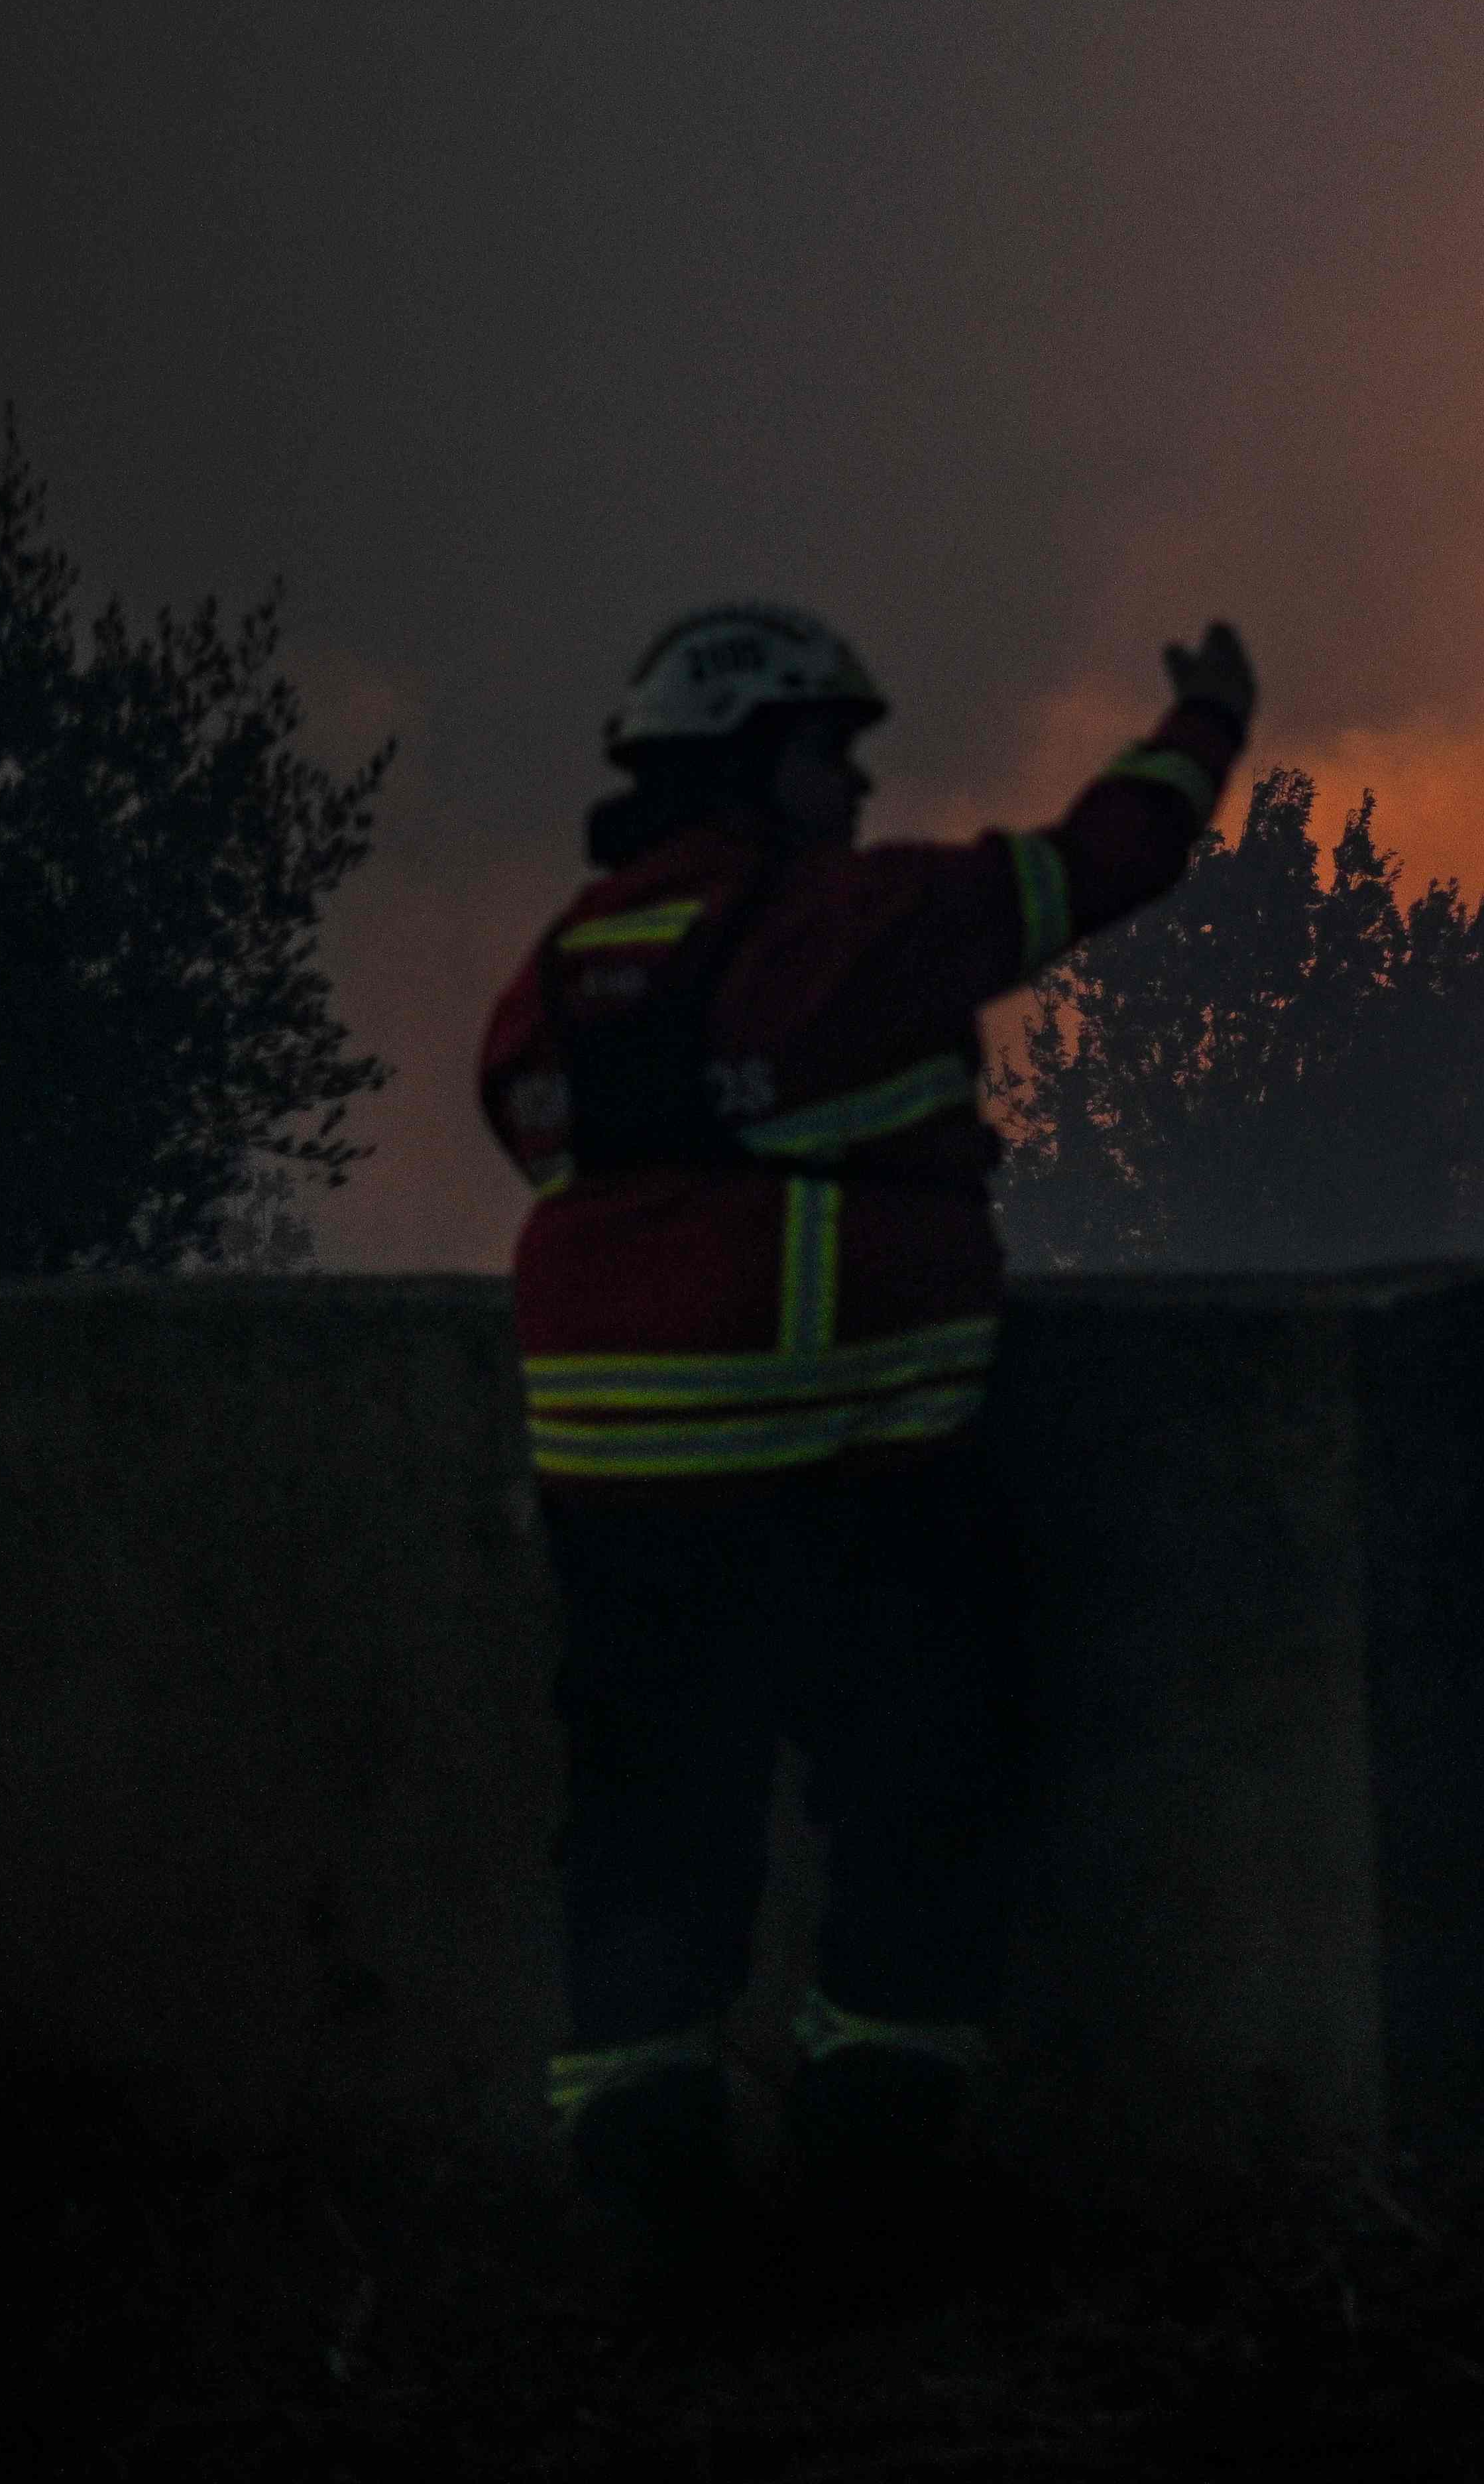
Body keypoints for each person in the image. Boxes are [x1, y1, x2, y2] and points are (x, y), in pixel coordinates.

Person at [476, 599, 1251, 2286]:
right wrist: (1204, 725)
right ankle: (875, 2194)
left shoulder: (565, 963)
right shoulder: (860, 921)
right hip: (841, 1472)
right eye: (835, 749)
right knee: (925, 1793)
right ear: (761, 761)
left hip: (618, 1492)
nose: (857, 781)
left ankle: (646, 2212)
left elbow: (541, 1136)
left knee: (650, 1828)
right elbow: (1094, 864)